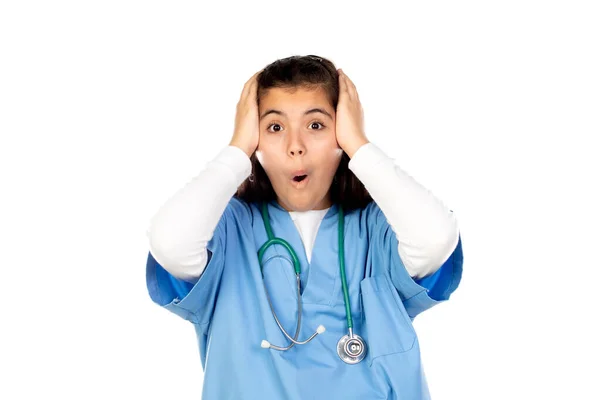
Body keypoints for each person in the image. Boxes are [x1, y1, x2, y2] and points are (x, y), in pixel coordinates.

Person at [145, 55, 463, 399]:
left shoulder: (379, 229)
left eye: (316, 125)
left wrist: (360, 146)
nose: (295, 146)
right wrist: (237, 151)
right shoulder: (229, 229)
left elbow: (436, 239)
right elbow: (169, 243)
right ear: (256, 139)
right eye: (275, 127)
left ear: (341, 135)